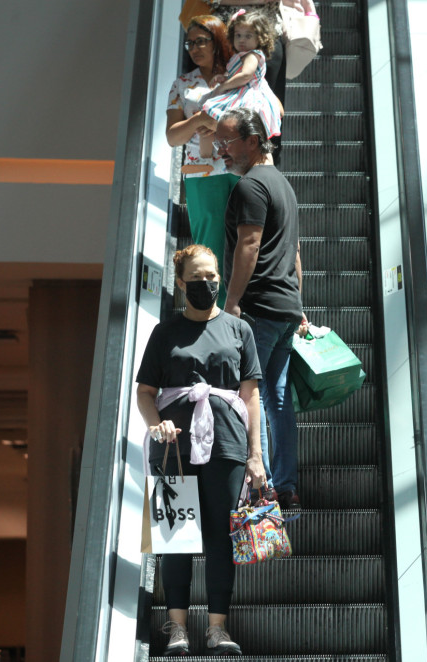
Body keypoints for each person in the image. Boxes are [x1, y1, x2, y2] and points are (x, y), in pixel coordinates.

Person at [136, 244, 265, 656]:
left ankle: (217, 627)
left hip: (226, 443)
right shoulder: (165, 332)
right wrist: (156, 424)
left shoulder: (237, 329)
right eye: (197, 279)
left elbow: (251, 395)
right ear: (180, 283)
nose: (206, 284)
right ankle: (176, 628)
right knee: (175, 537)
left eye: (212, 277)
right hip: (172, 447)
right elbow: (145, 392)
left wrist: (255, 454)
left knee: (220, 537)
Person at [215, 107, 308, 512]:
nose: (222, 150)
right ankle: (285, 484)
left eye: (228, 142)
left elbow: (248, 247)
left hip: (259, 308)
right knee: (278, 397)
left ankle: (262, 485)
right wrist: (298, 306)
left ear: (253, 141)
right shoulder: (284, 186)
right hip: (285, 306)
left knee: (249, 394)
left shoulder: (250, 187)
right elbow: (297, 255)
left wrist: (231, 302)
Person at [166, 15, 238, 303]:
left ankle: (247, 310)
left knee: (248, 241)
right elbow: (173, 137)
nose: (194, 48)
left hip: (240, 168)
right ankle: (216, 311)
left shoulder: (240, 74)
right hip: (203, 173)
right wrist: (199, 119)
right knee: (209, 247)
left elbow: (270, 108)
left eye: (201, 41)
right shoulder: (182, 84)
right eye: (189, 43)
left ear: (218, 40)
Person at [201, 10, 283, 141]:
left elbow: (245, 76)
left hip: (249, 95)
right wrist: (225, 78)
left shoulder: (252, 55)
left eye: (248, 36)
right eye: (238, 35)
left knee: (232, 122)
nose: (241, 40)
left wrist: (223, 87)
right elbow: (238, 75)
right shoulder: (241, 56)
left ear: (260, 38)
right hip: (241, 91)